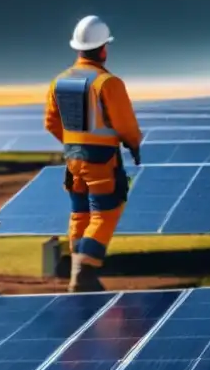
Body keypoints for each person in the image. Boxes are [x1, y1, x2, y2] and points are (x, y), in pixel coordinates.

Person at [44, 15, 143, 292]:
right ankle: (84, 272)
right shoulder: (108, 83)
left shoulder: (59, 81)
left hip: (73, 159)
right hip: (101, 160)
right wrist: (133, 143)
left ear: (78, 48)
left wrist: (74, 143)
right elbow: (125, 125)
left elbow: (51, 122)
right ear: (103, 49)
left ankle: (78, 270)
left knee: (80, 215)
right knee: (105, 213)